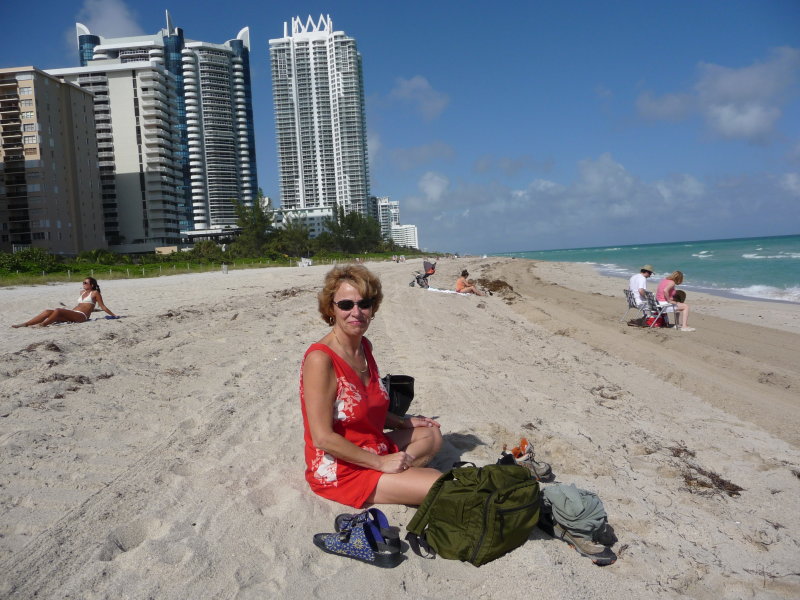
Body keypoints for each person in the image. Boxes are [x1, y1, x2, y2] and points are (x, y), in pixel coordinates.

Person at [301, 264, 443, 508]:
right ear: (331, 308)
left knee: (431, 434)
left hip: (372, 445)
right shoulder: (320, 359)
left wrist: (401, 422)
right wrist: (380, 464)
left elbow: (364, 407)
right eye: (346, 305)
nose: (356, 312)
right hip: (341, 467)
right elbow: (322, 438)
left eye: (364, 304)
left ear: (373, 308)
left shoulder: (364, 347)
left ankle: (397, 477)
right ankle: (394, 478)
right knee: (438, 484)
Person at [11, 277, 116, 328]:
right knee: (48, 311)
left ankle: (43, 325)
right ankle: (26, 324)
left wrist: (114, 316)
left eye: (85, 283)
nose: (83, 284)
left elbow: (103, 306)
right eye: (83, 282)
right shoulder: (82, 292)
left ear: (92, 285)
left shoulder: (95, 293)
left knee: (57, 310)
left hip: (81, 316)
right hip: (73, 313)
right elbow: (81, 305)